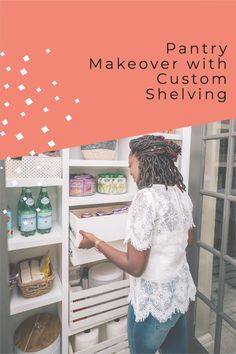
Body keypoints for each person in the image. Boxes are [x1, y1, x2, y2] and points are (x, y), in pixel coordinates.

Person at [79, 134, 196, 354]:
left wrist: (95, 241)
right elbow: (189, 240)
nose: (131, 172)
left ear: (144, 161)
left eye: (131, 165)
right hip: (179, 296)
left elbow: (135, 266)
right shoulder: (181, 195)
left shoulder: (146, 198)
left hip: (153, 306)